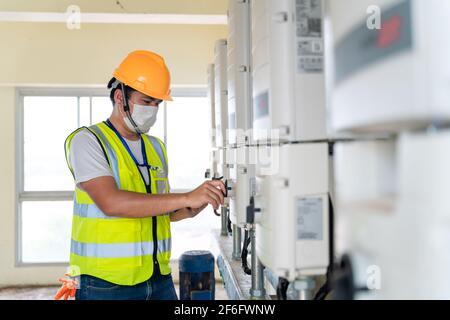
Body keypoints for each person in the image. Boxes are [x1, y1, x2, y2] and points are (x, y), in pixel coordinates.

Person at [57, 50, 225, 300]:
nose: (153, 110)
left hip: (157, 278)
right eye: (147, 101)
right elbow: (111, 203)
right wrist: (187, 196)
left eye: (158, 103)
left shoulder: (156, 147)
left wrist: (199, 202)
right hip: (105, 283)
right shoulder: (88, 141)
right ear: (119, 97)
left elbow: (163, 211)